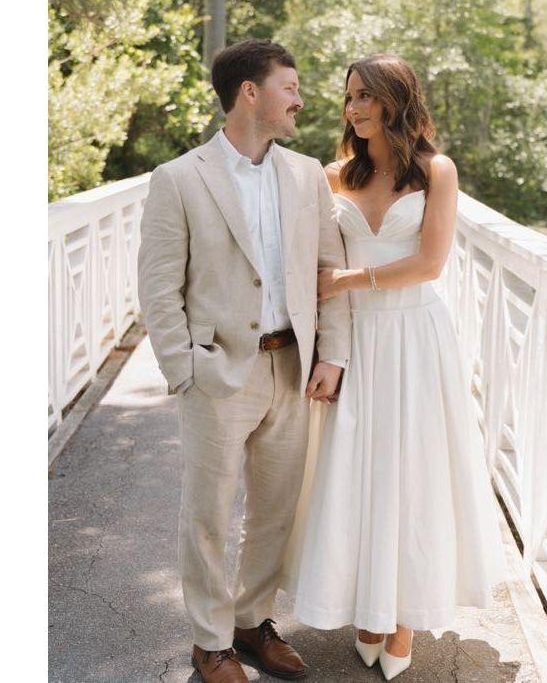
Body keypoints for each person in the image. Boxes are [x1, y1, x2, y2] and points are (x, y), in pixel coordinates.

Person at [285, 54, 508, 680]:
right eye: (349, 97)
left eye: (365, 96)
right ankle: (367, 605)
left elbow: (430, 263)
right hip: (358, 339)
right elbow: (311, 256)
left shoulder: (437, 171)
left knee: (413, 470)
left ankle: (405, 613)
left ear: (395, 99)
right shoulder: (333, 175)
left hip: (416, 337)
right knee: (354, 469)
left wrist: (348, 279)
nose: (353, 108)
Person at [137, 39, 351, 683]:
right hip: (218, 372)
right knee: (207, 513)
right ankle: (210, 641)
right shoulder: (179, 178)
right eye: (290, 86)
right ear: (250, 93)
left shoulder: (307, 173)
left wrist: (332, 353)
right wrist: (185, 369)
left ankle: (252, 623)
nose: (300, 99)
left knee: (275, 511)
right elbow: (159, 287)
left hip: (293, 366)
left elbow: (329, 269)